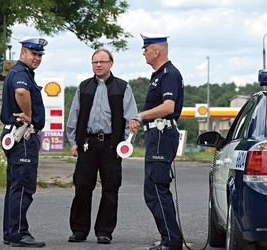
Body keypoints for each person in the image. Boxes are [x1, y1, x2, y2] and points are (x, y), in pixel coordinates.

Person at [66, 48, 138, 244]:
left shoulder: (122, 87)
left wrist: (123, 144)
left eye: (102, 62)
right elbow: (74, 115)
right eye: (94, 62)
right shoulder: (84, 87)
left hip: (111, 146)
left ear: (110, 64)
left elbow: (131, 117)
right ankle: (79, 230)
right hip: (87, 144)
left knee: (110, 188)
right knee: (82, 187)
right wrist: (74, 142)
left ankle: (104, 231)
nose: (98, 65)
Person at [129, 33, 184, 250]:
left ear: (156, 51)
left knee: (156, 189)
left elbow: (168, 107)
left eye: (145, 48)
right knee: (153, 189)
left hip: (162, 134)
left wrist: (141, 116)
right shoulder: (159, 75)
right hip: (156, 134)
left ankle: (171, 240)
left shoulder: (168, 74)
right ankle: (170, 238)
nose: (143, 53)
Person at [0, 37, 48, 247]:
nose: (36, 58)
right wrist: (28, 114)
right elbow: (21, 91)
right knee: (22, 187)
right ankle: (18, 233)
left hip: (16, 135)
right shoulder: (20, 73)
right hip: (23, 135)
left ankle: (11, 232)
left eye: (39, 55)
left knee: (14, 186)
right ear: (23, 53)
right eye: (33, 53)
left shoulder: (21, 72)